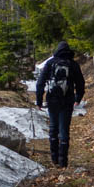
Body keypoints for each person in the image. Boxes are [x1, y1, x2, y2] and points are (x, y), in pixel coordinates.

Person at [35, 40, 85, 168]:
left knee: (53, 129)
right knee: (64, 131)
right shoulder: (73, 64)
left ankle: (54, 159)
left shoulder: (50, 63)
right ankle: (63, 162)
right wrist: (77, 99)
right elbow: (80, 84)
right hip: (67, 101)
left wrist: (39, 101)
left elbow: (40, 83)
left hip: (52, 100)